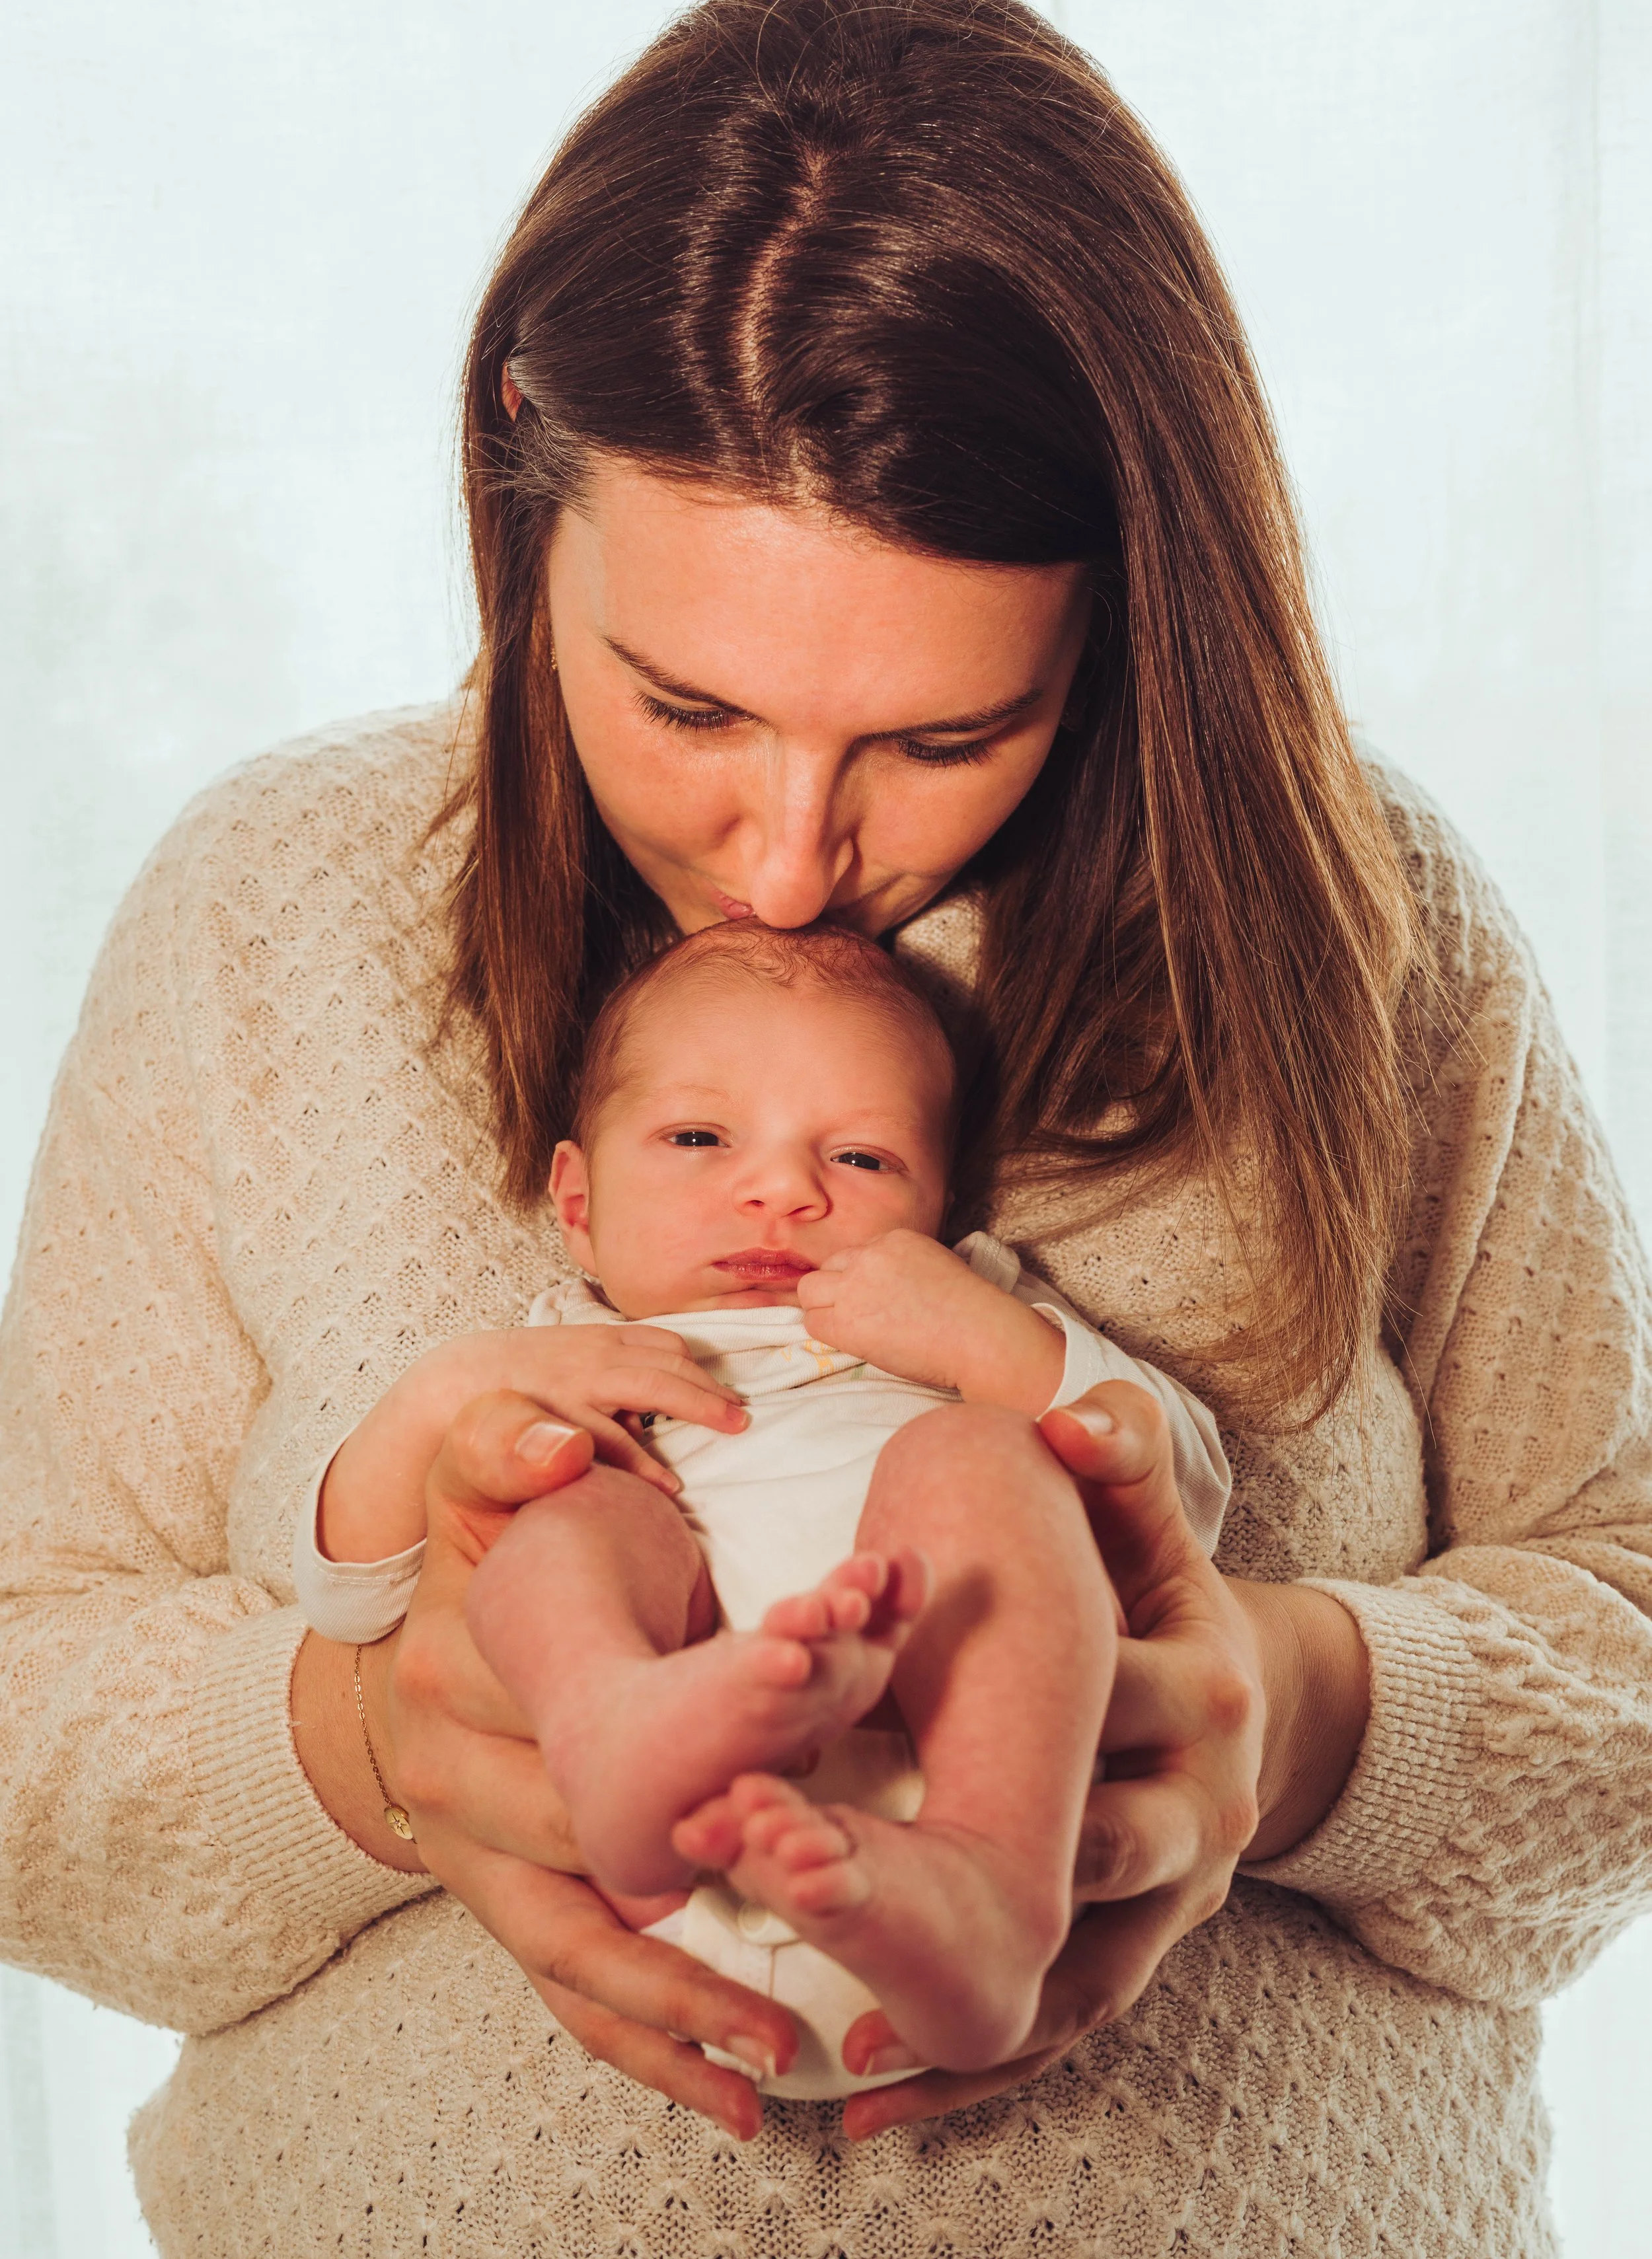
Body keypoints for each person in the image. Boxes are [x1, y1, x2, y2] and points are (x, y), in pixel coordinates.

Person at [1, 1, 1647, 2253]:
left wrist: (1306, 1706)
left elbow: (1631, 1625)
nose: (790, 860)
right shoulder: (269, 911)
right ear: (516, 466)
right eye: (687, 704)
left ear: (1133, 602)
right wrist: (371, 1744)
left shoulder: (1367, 920)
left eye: (951, 731)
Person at [291, 917, 1232, 2095]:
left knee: (978, 1461)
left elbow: (1182, 1498)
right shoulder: (557, 1357)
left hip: (948, 1834)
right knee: (571, 1520)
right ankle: (616, 1719)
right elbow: (345, 1588)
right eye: (698, 1136)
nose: (781, 1190)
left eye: (862, 1161)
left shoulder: (958, 1318)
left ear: (940, 1203)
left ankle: (993, 1878)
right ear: (577, 1202)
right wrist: (448, 1396)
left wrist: (990, 1338)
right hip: (660, 1874)